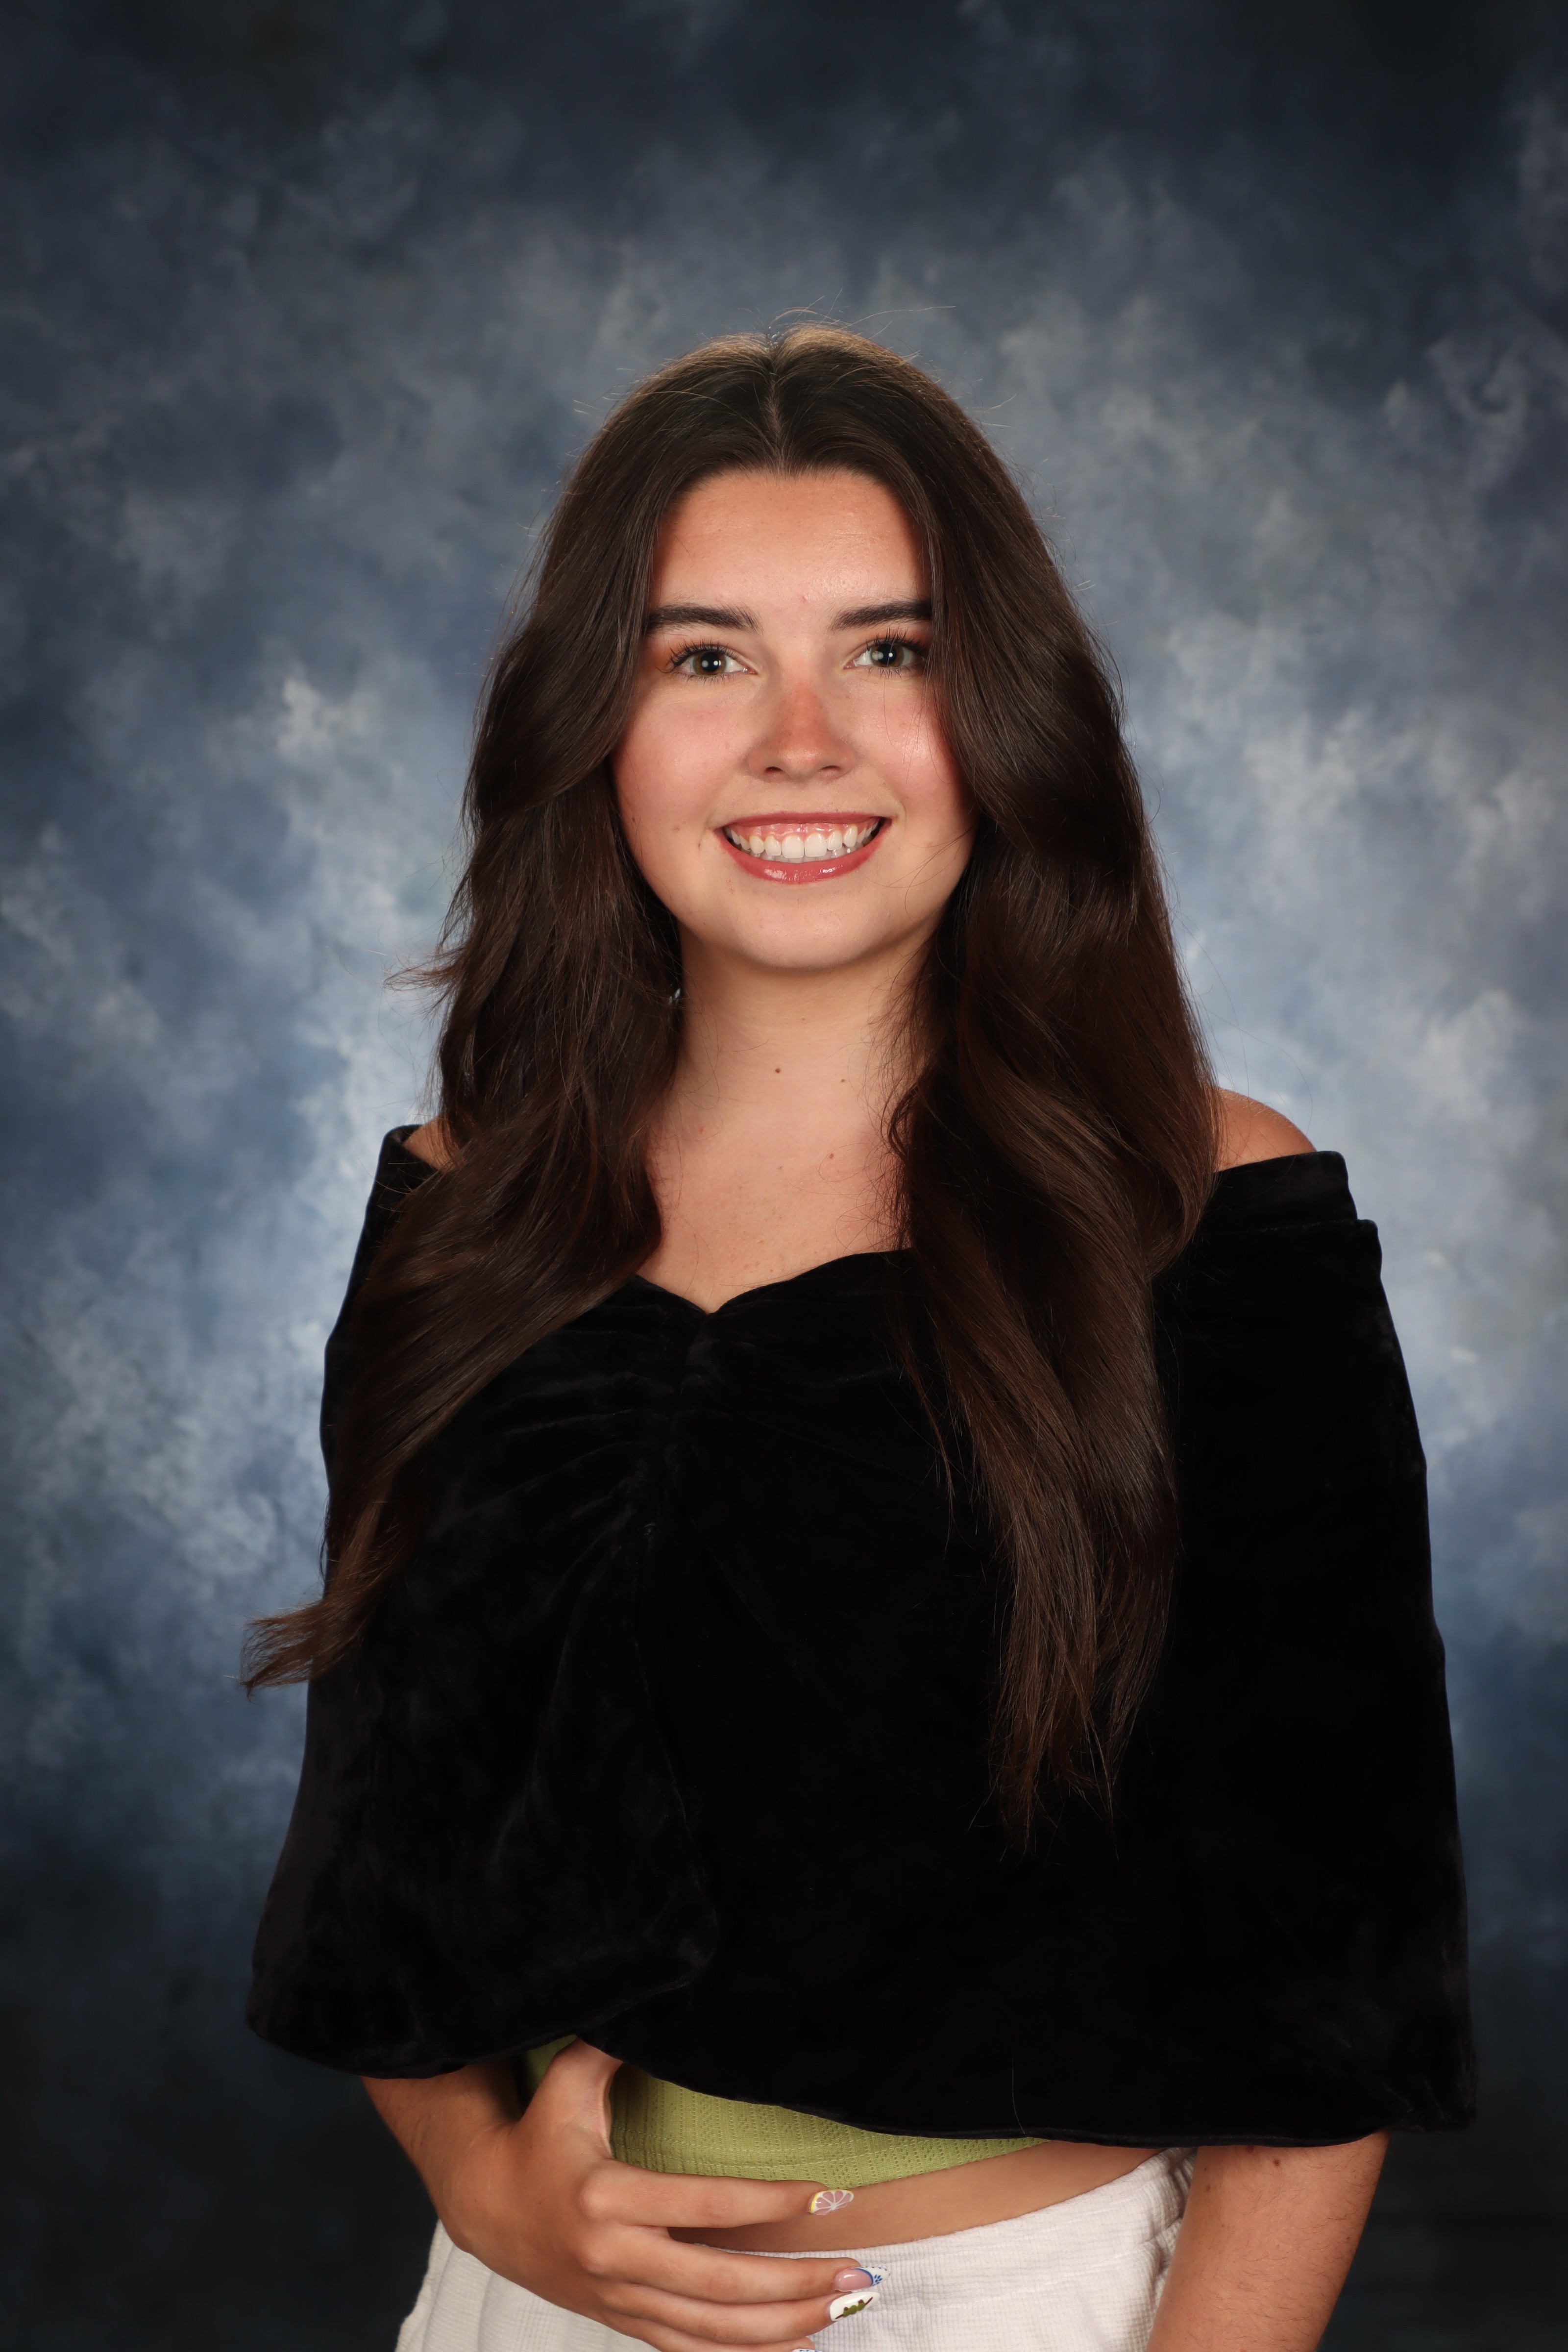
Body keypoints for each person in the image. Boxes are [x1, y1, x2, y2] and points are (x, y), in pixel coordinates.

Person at [245, 327, 1473, 2352]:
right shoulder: (468, 1203)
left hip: (1020, 2308)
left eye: (889, 650)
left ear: (1003, 717)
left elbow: (1339, 1965)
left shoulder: (1203, 1211)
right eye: (704, 657)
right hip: (528, 2303)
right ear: (596, 721)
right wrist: (486, 2189)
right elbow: (384, 1842)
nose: (799, 740)